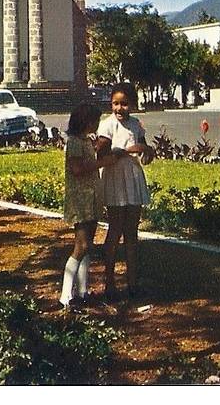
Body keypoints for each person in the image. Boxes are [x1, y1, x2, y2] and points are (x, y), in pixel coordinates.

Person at [95, 82, 155, 301]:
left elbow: (145, 153)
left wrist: (147, 151)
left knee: (131, 233)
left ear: (132, 104)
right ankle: (109, 282)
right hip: (114, 178)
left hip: (133, 179)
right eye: (115, 104)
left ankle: (132, 282)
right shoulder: (107, 125)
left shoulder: (136, 125)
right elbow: (100, 155)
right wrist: (128, 150)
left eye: (124, 104)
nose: (120, 108)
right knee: (114, 230)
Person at [59, 103, 116, 310]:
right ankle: (66, 294)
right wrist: (102, 163)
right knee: (81, 246)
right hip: (80, 199)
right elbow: (76, 169)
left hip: (91, 198)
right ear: (86, 122)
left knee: (87, 246)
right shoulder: (74, 142)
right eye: (95, 122)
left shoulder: (85, 141)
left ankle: (82, 290)